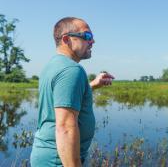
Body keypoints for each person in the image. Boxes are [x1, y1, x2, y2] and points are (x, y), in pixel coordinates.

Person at [30, 17, 114, 166]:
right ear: (66, 39)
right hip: (58, 160)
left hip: (48, 156)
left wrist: (92, 84)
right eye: (87, 36)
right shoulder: (71, 70)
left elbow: (62, 96)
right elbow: (65, 129)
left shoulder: (53, 65)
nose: (92, 41)